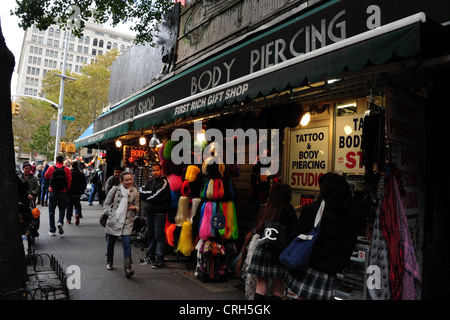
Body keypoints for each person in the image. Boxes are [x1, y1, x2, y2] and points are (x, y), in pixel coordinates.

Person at [284, 173, 361, 300]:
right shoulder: (354, 214)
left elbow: (296, 233)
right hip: (331, 272)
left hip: (309, 268)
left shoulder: (316, 208)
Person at [246, 183, 298, 300]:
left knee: (260, 289)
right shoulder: (288, 208)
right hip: (279, 252)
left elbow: (258, 230)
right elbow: (295, 230)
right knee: (277, 291)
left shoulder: (267, 208)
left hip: (262, 250)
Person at [103, 171, 139, 278]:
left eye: (130, 179)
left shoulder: (134, 191)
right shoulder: (115, 189)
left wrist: (134, 208)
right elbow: (106, 204)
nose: (129, 182)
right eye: (126, 180)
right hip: (115, 220)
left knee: (127, 243)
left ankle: (128, 268)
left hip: (127, 220)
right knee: (111, 242)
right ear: (121, 181)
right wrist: (112, 214)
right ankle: (109, 261)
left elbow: (137, 206)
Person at [138, 162, 171, 269]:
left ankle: (159, 259)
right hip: (150, 212)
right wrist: (150, 193)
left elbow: (158, 196)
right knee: (151, 235)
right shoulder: (149, 182)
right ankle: (151, 256)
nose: (155, 172)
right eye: (153, 170)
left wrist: (147, 196)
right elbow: (141, 191)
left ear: (161, 171)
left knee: (159, 236)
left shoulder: (164, 182)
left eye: (157, 170)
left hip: (159, 213)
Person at [44, 155, 72, 236]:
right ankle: (60, 222)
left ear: (56, 160)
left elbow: (46, 176)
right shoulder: (66, 169)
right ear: (62, 161)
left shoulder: (51, 168)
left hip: (53, 191)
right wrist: (67, 188)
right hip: (63, 192)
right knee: (62, 209)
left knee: (51, 211)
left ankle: (52, 230)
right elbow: (69, 180)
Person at [66, 161, 87, 225]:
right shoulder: (81, 174)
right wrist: (82, 191)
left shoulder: (69, 173)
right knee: (77, 204)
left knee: (69, 205)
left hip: (69, 191)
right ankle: (77, 214)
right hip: (78, 192)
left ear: (71, 166)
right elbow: (84, 183)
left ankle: (68, 219)